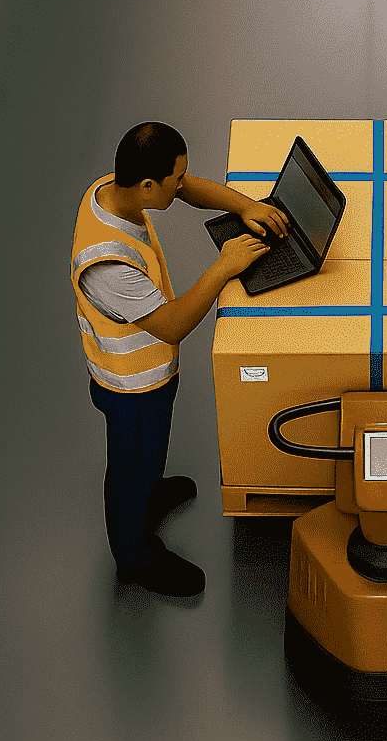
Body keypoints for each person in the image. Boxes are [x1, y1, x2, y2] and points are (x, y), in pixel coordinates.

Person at [71, 121, 289, 597]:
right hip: (129, 386)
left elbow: (190, 188)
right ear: (149, 185)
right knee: (129, 469)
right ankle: (135, 556)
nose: (183, 184)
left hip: (152, 377)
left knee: (150, 456)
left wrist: (246, 206)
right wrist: (225, 265)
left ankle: (149, 494)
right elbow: (171, 325)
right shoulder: (107, 262)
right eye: (175, 179)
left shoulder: (112, 189)